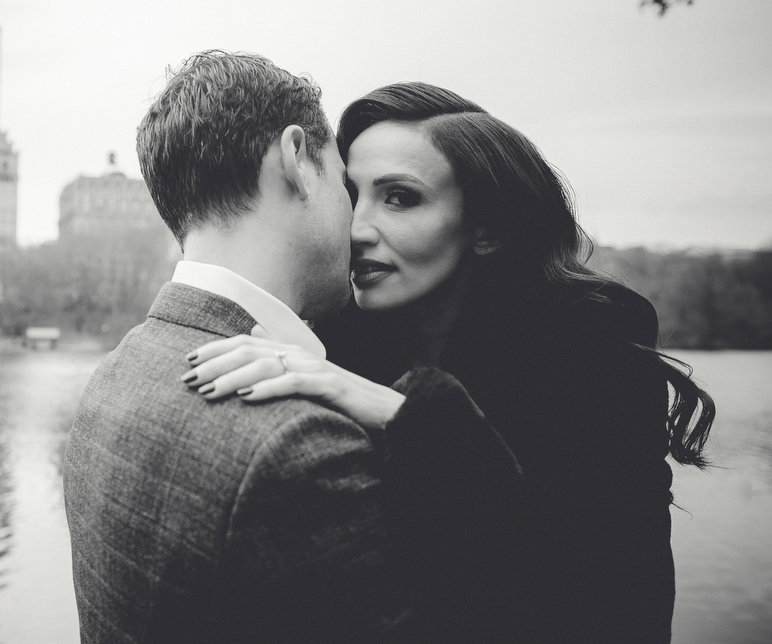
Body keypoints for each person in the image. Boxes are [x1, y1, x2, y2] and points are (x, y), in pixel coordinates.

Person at [185, 82, 716, 644]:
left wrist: (404, 415)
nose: (358, 229)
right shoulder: (333, 343)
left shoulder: (592, 360)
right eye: (351, 194)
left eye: (399, 198)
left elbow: (614, 608)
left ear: (485, 228)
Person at [62, 56, 527, 643]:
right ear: (297, 161)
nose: (356, 224)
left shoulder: (119, 369)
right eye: (344, 184)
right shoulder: (297, 445)